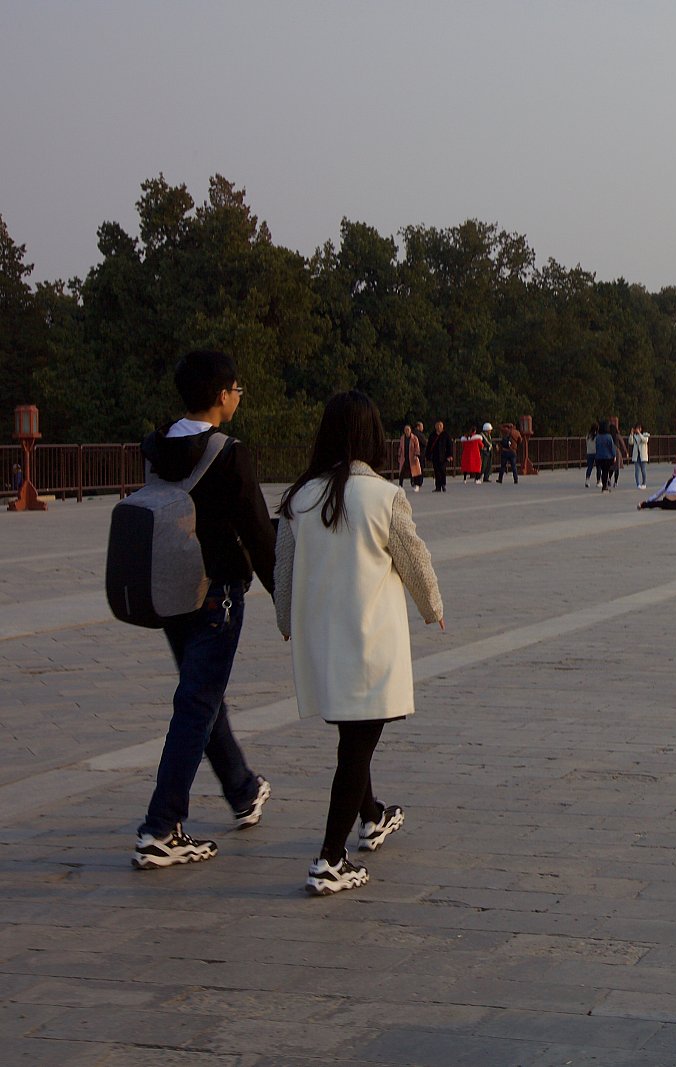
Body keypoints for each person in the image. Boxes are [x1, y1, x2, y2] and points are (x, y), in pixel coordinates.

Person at [276, 391, 443, 895]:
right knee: (357, 743)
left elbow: (283, 572)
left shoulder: (299, 499)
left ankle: (371, 816)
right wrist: (432, 607)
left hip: (321, 642)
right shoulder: (383, 496)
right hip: (369, 641)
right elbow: (414, 559)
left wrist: (285, 621)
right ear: (373, 436)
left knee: (353, 733)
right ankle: (330, 859)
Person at [131, 350, 276, 871]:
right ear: (220, 395)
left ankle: (242, 789)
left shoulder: (154, 447)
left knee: (201, 693)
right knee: (197, 702)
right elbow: (258, 534)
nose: (238, 397)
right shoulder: (229, 453)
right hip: (218, 592)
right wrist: (283, 596)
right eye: (237, 389)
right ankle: (161, 827)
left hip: (170, 591)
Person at [425, 421, 452, 492]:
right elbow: (429, 446)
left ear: (442, 427)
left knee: (443, 470)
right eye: (438, 426)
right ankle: (438, 487)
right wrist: (427, 456)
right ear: (435, 427)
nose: (439, 427)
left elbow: (449, 446)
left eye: (440, 426)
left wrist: (450, 455)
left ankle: (443, 484)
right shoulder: (432, 435)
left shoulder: (446, 435)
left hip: (444, 456)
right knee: (436, 472)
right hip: (435, 456)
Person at [594, 421, 621, 490]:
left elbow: (596, 447)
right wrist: (614, 455)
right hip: (607, 457)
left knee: (603, 471)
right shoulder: (608, 437)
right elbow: (612, 447)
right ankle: (604, 486)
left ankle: (604, 485)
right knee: (605, 471)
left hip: (599, 457)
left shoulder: (597, 437)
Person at [398, 424, 423, 493]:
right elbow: (400, 447)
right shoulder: (402, 438)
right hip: (404, 457)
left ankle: (415, 484)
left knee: (414, 472)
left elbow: (417, 447)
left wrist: (416, 455)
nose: (407, 431)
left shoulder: (414, 438)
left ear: (410, 430)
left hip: (412, 457)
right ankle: (400, 485)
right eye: (405, 430)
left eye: (408, 429)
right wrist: (399, 455)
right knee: (402, 472)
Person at [629, 424, 651, 489]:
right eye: (637, 428)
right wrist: (631, 434)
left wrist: (639, 434)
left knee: (643, 470)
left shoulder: (645, 435)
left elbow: (645, 440)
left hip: (643, 455)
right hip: (636, 455)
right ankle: (638, 484)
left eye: (639, 428)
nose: (638, 430)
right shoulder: (634, 436)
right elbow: (630, 442)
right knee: (637, 470)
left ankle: (644, 483)